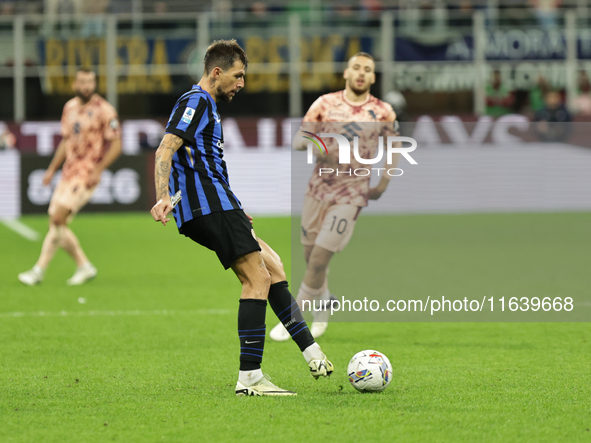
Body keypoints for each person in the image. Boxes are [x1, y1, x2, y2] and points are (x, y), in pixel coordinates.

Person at [150, 39, 333, 397]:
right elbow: (165, 148)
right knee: (257, 279)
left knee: (274, 266)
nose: (241, 83)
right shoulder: (197, 101)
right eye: (238, 75)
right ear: (216, 72)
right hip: (208, 207)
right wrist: (161, 197)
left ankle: (313, 354)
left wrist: (233, 204)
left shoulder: (209, 107)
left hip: (221, 205)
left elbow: (204, 163)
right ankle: (249, 377)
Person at [270, 52, 397, 341]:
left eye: (367, 69)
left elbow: (394, 148)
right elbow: (299, 139)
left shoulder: (383, 112)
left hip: (351, 193)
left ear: (373, 77)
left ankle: (293, 319)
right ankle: (325, 302)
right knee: (310, 257)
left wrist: (384, 183)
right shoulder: (325, 104)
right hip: (317, 190)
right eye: (356, 68)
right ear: (346, 73)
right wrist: (317, 144)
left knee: (318, 261)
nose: (361, 73)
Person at [18, 68, 121, 286]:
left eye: (90, 82)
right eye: (83, 82)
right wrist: (51, 169)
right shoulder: (70, 108)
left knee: (57, 219)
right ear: (75, 84)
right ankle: (81, 266)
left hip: (86, 174)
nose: (87, 86)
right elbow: (66, 141)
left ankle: (40, 270)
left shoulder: (105, 110)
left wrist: (98, 169)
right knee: (55, 224)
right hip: (68, 172)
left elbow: (117, 144)